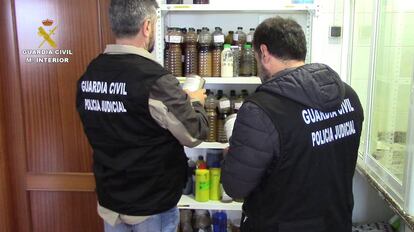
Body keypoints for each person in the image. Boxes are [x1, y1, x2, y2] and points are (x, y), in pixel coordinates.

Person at [222, 16, 364, 232]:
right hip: (336, 222)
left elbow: (235, 187)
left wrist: (232, 156)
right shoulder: (349, 96)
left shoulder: (261, 110)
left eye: (258, 59)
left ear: (265, 53)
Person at [76, 0, 208, 231]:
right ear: (147, 26)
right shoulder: (154, 80)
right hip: (151, 206)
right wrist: (195, 101)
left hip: (111, 200)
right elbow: (194, 133)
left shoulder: (91, 74)